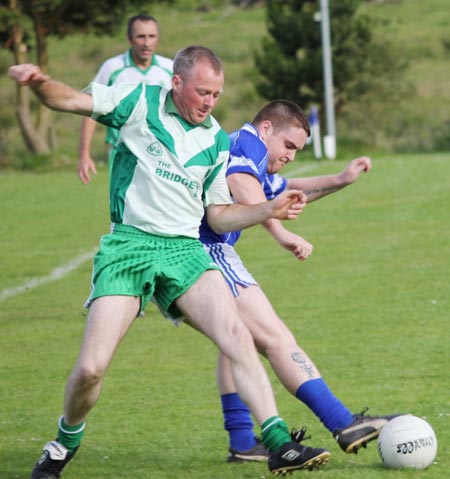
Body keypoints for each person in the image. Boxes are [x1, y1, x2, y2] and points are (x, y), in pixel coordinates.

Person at [9, 47, 331, 479]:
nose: (209, 103)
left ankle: (278, 444)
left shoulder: (216, 138)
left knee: (236, 335)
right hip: (129, 246)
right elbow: (68, 100)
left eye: (216, 94)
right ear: (177, 83)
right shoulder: (138, 101)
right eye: (202, 92)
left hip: (184, 251)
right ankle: (64, 442)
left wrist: (266, 210)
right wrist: (38, 82)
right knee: (90, 369)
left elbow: (218, 214)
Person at [199, 100, 399, 463]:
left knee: (234, 342)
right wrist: (279, 233)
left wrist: (340, 180)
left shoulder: (254, 152)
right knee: (275, 337)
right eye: (289, 146)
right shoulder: (246, 143)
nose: (291, 155)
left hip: (200, 252)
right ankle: (343, 422)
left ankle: (243, 442)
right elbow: (241, 184)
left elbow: (289, 190)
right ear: (266, 130)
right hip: (206, 251)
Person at [78, 14, 173, 184]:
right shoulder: (113, 68)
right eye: (140, 36)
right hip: (123, 153)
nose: (146, 43)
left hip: (162, 155)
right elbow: (90, 109)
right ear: (129, 38)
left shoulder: (169, 68)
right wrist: (84, 154)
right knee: (123, 209)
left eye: (151, 36)